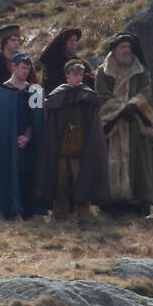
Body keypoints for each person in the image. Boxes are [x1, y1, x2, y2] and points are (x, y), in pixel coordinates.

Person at [35, 58, 110, 222]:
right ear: (67, 75)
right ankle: (59, 215)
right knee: (60, 182)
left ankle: (84, 215)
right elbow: (52, 124)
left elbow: (94, 127)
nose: (78, 78)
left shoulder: (88, 97)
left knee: (82, 180)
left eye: (80, 74)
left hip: (81, 148)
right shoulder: (57, 97)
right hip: (61, 147)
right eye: (74, 74)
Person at [95, 31, 153, 217]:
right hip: (113, 125)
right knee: (111, 162)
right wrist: (119, 109)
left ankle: (140, 202)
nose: (126, 50)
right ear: (114, 49)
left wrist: (133, 107)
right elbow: (101, 93)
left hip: (135, 122)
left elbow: (146, 91)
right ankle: (111, 204)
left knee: (139, 161)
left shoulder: (141, 71)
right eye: (122, 47)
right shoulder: (103, 71)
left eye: (128, 47)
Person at [0, 52, 45, 218]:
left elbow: (38, 119)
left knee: (28, 173)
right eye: (23, 68)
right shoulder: (2, 92)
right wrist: (11, 137)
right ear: (14, 67)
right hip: (8, 142)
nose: (26, 72)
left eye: (28, 68)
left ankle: (29, 210)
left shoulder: (35, 91)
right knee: (9, 171)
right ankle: (9, 210)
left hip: (28, 142)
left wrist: (27, 136)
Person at [0, 24, 36, 96]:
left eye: (18, 40)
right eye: (13, 40)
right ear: (4, 42)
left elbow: (34, 84)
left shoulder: (25, 60)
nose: (17, 42)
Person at [38, 27, 95, 92]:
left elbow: (93, 84)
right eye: (70, 40)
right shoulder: (52, 62)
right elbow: (49, 85)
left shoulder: (82, 63)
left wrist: (84, 77)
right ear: (63, 43)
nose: (73, 44)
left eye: (75, 40)